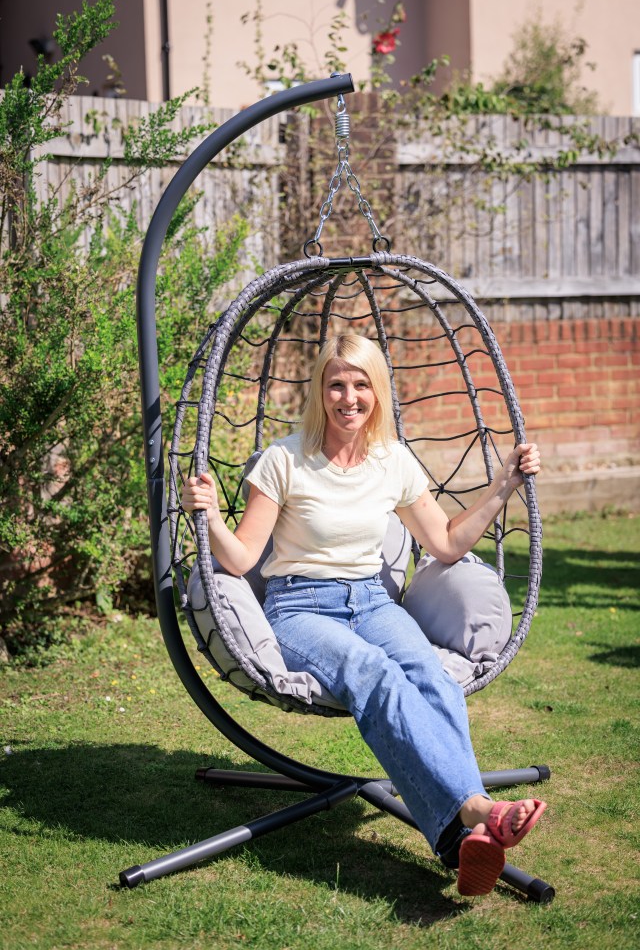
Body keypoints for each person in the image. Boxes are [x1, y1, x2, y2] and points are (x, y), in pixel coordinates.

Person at [182, 333, 546, 896]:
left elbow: (446, 544)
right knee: (373, 673)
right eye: (336, 384)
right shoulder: (284, 459)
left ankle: (462, 838)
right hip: (301, 607)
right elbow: (239, 559)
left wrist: (505, 485)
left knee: (429, 677)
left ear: (377, 390)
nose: (348, 397)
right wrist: (204, 515)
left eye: (361, 384)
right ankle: (477, 806)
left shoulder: (392, 461)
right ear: (319, 391)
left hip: (372, 600)